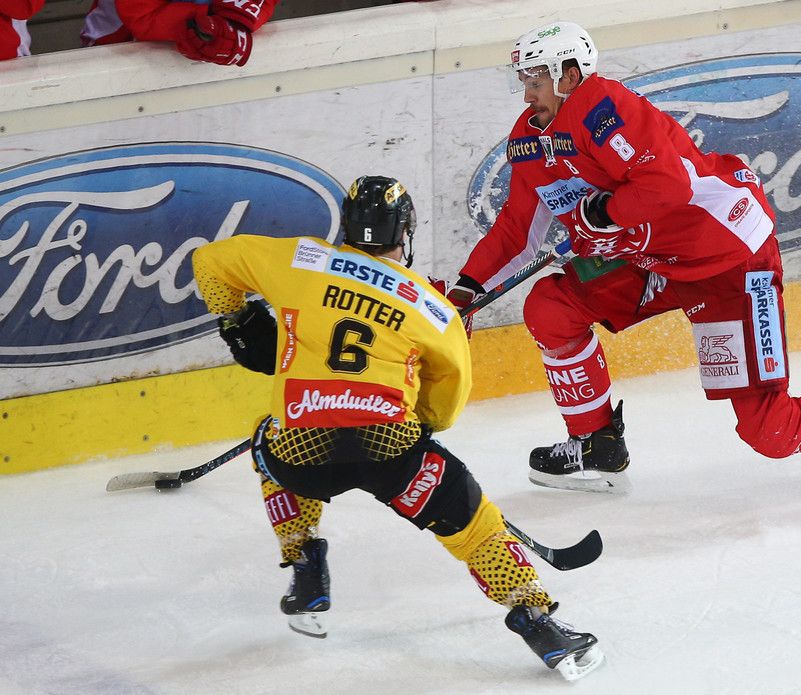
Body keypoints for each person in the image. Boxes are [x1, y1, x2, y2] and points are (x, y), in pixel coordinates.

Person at [441, 21, 801, 495]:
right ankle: (597, 444)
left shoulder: (605, 110)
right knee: (552, 307)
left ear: (569, 76)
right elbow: (517, 229)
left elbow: (668, 184)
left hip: (728, 258)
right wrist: (468, 290)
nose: (526, 94)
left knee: (769, 430)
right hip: (653, 261)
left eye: (535, 80)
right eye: (523, 81)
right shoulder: (531, 140)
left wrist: (606, 213)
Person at [191, 175, 604, 681]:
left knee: (270, 440)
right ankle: (539, 622)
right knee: (475, 528)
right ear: (404, 233)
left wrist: (238, 321)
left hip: (303, 452)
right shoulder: (431, 307)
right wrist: (418, 422)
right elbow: (446, 405)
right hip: (390, 448)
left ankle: (304, 563)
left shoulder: (301, 259)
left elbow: (208, 263)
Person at [82, 0, 277, 66]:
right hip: (114, 49)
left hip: (188, 63)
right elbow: (142, 16)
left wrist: (237, 19)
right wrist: (207, 24)